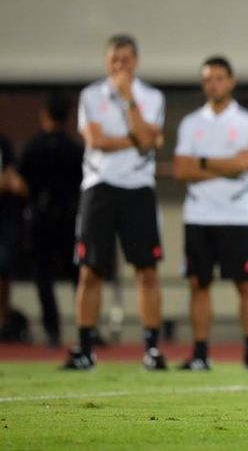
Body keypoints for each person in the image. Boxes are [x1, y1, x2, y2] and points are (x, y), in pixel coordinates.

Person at [63, 34, 167, 370]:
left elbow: (149, 141)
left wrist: (128, 101)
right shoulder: (91, 95)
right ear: (106, 62)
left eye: (125, 59)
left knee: (146, 270)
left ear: (135, 61)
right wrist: (139, 140)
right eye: (114, 60)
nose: (119, 65)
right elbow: (97, 140)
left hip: (138, 188)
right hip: (99, 187)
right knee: (90, 270)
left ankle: (151, 349)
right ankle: (84, 349)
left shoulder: (150, 96)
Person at [173, 56, 248, 371]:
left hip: (237, 215)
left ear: (231, 81)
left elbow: (245, 164)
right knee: (198, 284)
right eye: (208, 79)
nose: (214, 84)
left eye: (219, 78)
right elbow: (181, 169)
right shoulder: (190, 123)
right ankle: (200, 354)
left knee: (247, 285)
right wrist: (225, 166)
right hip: (198, 214)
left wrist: (201, 162)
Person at [15, 93, 84, 347]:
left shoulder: (33, 146)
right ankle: (86, 328)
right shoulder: (75, 148)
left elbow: (21, 184)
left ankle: (52, 331)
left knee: (44, 278)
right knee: (78, 276)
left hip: (41, 219)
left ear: (45, 114)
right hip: (69, 217)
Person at [0, 133, 24, 339]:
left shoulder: (3, 143)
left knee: (4, 271)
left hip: (4, 218)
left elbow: (16, 183)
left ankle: (3, 322)